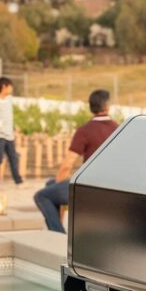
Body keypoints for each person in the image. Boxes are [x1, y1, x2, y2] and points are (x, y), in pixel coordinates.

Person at [34, 90, 118, 233]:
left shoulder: (85, 130)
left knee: (41, 196)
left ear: (91, 107)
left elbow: (67, 164)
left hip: (88, 187)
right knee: (50, 183)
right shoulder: (118, 129)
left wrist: (61, 181)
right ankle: (56, 229)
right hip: (111, 185)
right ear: (107, 107)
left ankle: (58, 234)